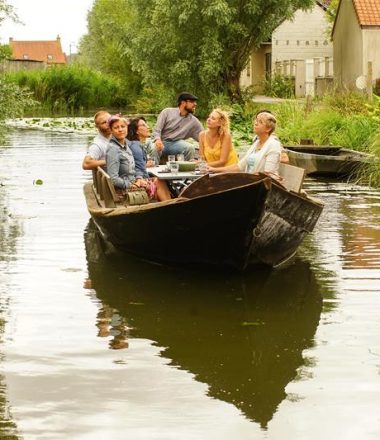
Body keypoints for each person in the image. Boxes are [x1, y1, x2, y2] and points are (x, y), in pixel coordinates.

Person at [106, 114, 171, 201]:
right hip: (125, 190)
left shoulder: (125, 146)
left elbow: (133, 169)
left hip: (134, 182)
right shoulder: (113, 149)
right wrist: (132, 185)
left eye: (123, 126)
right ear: (111, 131)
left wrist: (139, 179)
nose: (120, 129)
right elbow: (113, 179)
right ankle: (169, 205)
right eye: (116, 127)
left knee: (159, 181)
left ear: (127, 128)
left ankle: (168, 204)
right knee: (159, 183)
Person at [208, 111, 281, 177]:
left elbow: (267, 174)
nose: (255, 123)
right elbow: (239, 166)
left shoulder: (273, 145)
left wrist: (245, 177)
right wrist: (214, 170)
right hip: (249, 182)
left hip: (263, 186)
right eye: (256, 120)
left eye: (260, 122)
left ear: (268, 129)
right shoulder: (256, 143)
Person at [152, 92, 203, 162]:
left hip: (175, 144)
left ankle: (188, 170)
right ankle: (152, 171)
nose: (195, 104)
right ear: (183, 103)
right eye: (192, 102)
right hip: (160, 141)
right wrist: (157, 140)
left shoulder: (194, 121)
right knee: (154, 148)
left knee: (190, 148)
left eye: (195, 102)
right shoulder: (167, 112)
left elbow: (203, 137)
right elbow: (157, 130)